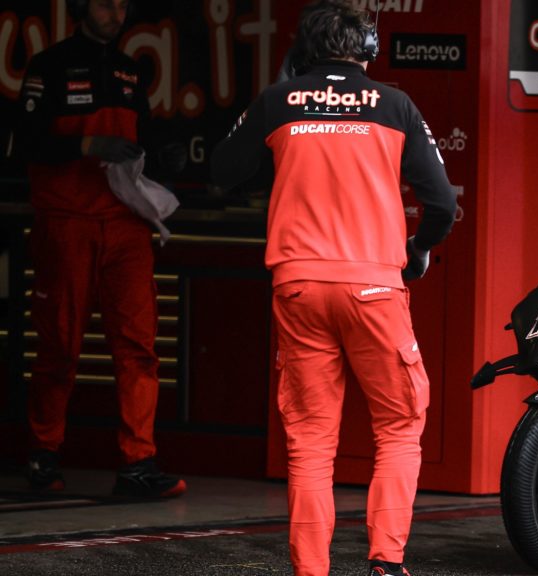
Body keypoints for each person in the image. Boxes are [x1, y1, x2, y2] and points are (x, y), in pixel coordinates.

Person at [210, 1, 457, 575]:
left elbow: (223, 170)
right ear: (367, 49)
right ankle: (386, 563)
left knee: (310, 441)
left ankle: (311, 570)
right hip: (374, 286)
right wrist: (418, 248)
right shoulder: (394, 105)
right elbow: (442, 203)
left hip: (298, 286)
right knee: (399, 425)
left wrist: (277, 107)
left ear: (303, 50)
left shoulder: (278, 101)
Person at [14, 0, 186, 498]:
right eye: (107, 2)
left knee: (139, 347)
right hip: (66, 221)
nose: (118, 12)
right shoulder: (49, 65)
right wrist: (88, 146)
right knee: (58, 345)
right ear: (81, 7)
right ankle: (43, 456)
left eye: (123, 4)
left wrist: (167, 155)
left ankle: (138, 462)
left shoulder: (130, 71)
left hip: (126, 224)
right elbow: (25, 142)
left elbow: (143, 143)